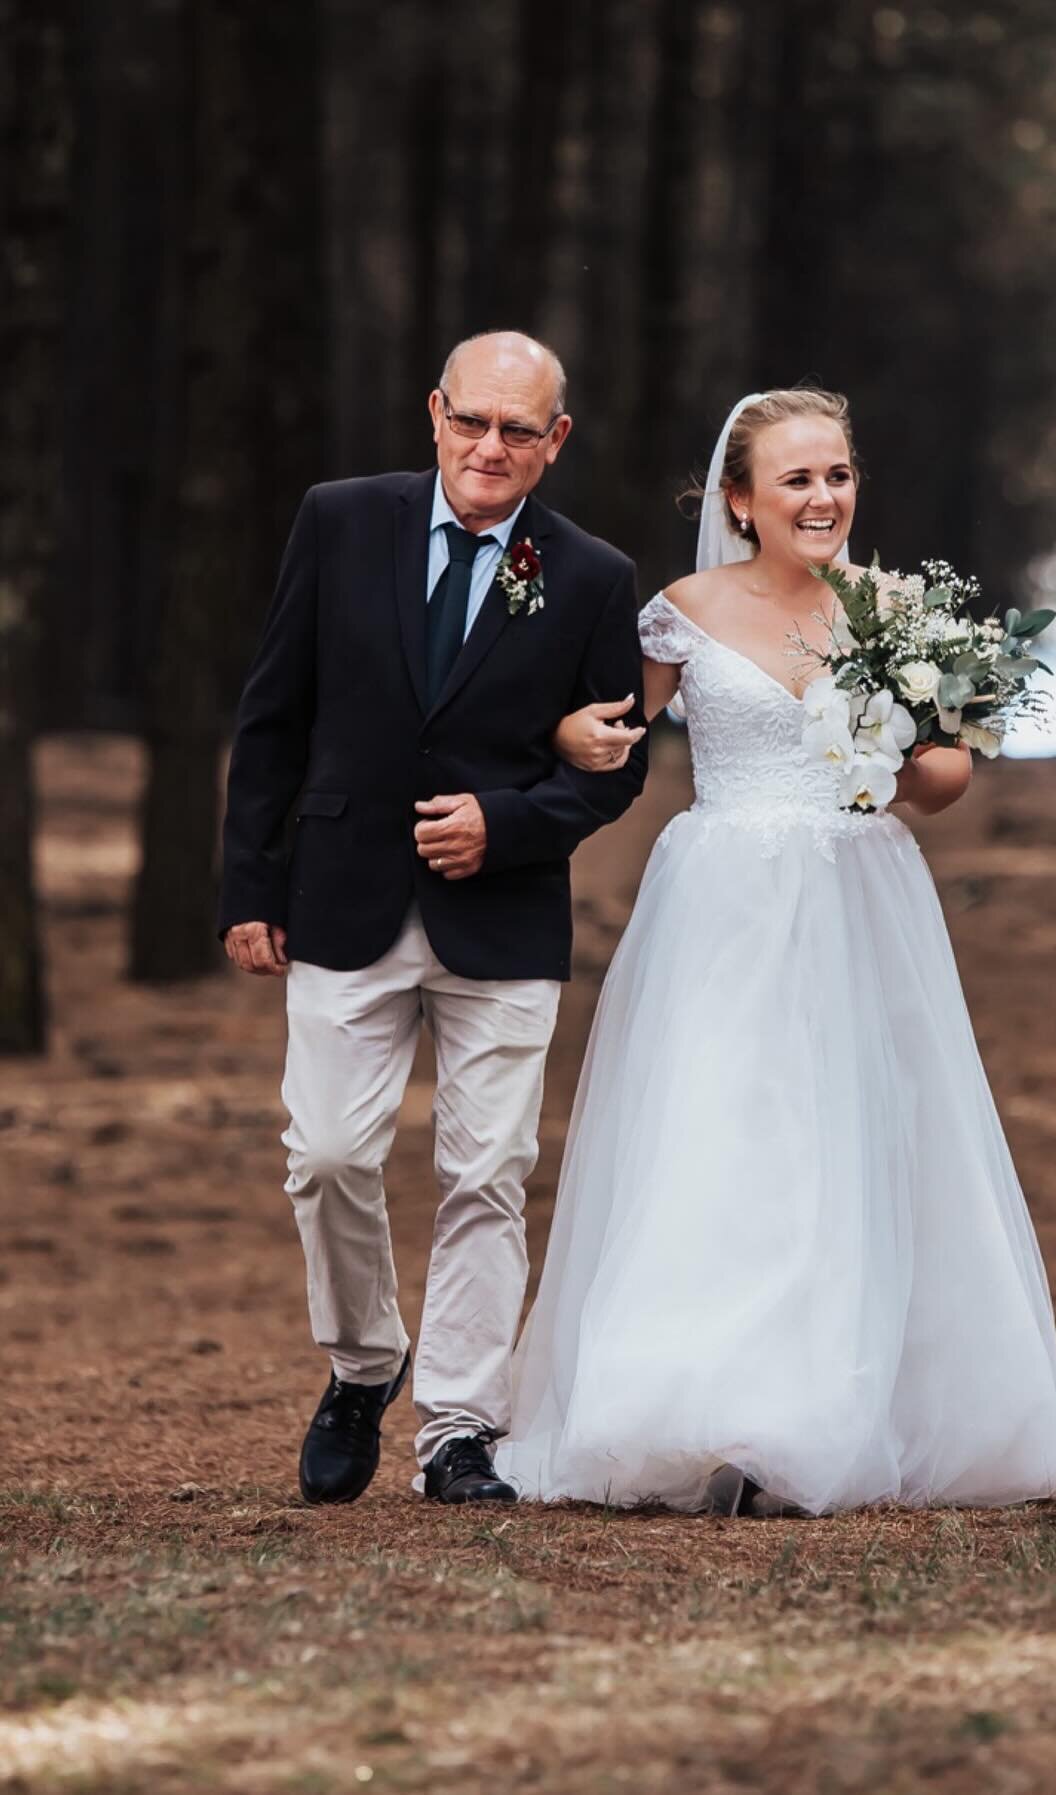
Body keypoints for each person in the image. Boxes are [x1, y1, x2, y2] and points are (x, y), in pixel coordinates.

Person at [497, 388, 1056, 1515]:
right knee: (726, 1131)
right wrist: (566, 734)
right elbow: (608, 740)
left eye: (838, 476)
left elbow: (947, 781)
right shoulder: (683, 610)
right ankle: (705, 1406)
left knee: (854, 1135)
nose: (823, 498)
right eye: (798, 479)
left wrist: (899, 747)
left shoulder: (894, 609)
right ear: (740, 498)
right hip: (724, 900)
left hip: (860, 895)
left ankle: (835, 1412)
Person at [218, 331, 648, 1507]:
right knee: (329, 1155)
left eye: (519, 429)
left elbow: (614, 769)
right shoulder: (340, 519)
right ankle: (364, 1364)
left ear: (556, 441)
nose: (489, 448)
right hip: (340, 894)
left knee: (488, 1171)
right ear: (436, 414)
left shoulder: (595, 576)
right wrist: (249, 886)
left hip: (500, 919)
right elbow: (273, 714)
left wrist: (505, 823)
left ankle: (459, 1426)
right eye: (472, 421)